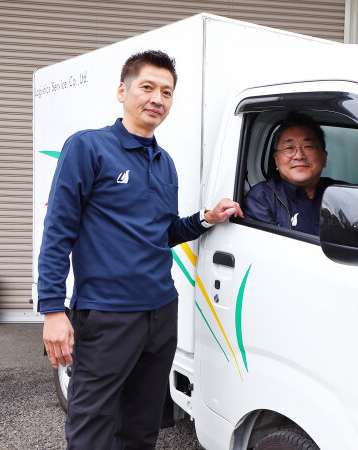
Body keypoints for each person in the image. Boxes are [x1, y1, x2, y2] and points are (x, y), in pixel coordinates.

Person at [38, 50, 242, 449]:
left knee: (143, 424)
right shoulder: (88, 148)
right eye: (147, 87)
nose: (157, 98)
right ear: (122, 91)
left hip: (161, 312)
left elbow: (164, 232)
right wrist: (52, 310)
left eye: (166, 92)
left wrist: (205, 218)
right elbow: (58, 231)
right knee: (93, 422)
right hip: (107, 314)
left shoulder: (164, 163)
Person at [243, 113, 339, 234]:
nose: (299, 156)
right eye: (289, 148)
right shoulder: (262, 198)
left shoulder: (342, 194)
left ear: (324, 158)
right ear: (276, 160)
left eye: (308, 146)